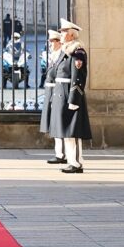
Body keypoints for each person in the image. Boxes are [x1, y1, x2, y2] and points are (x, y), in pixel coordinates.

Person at [47, 18, 91, 174]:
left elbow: (78, 77)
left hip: (69, 95)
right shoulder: (64, 51)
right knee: (66, 132)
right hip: (60, 94)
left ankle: (77, 162)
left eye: (65, 32)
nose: (62, 34)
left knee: (73, 131)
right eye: (61, 31)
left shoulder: (77, 52)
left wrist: (74, 99)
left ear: (72, 35)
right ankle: (71, 161)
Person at [40, 29, 65, 162]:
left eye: (52, 41)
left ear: (58, 42)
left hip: (57, 92)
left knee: (58, 124)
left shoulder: (62, 55)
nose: (50, 44)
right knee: (53, 123)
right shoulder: (54, 55)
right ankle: (59, 153)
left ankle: (61, 154)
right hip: (51, 91)